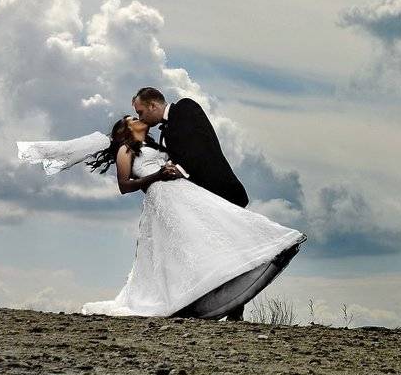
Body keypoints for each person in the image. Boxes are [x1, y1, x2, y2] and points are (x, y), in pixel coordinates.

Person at [20, 113, 303, 319]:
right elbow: (124, 186)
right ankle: (191, 301)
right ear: (126, 128)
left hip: (184, 193)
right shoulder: (124, 150)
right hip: (163, 201)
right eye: (133, 118)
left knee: (215, 233)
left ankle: (235, 292)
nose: (138, 118)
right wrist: (157, 174)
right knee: (183, 252)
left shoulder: (156, 147)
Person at [133, 86, 249, 207]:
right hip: (200, 199)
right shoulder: (164, 132)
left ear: (152, 106)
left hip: (221, 191)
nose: (140, 118)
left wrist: (179, 169)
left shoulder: (184, 107)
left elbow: (199, 146)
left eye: (140, 112)